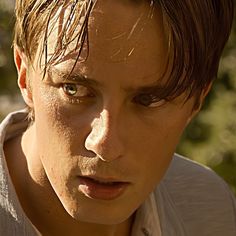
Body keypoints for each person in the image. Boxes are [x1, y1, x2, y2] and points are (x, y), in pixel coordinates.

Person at [0, 0, 235, 235]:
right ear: (24, 75)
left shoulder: (211, 209)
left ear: (197, 100)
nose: (105, 145)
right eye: (73, 89)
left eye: (150, 99)